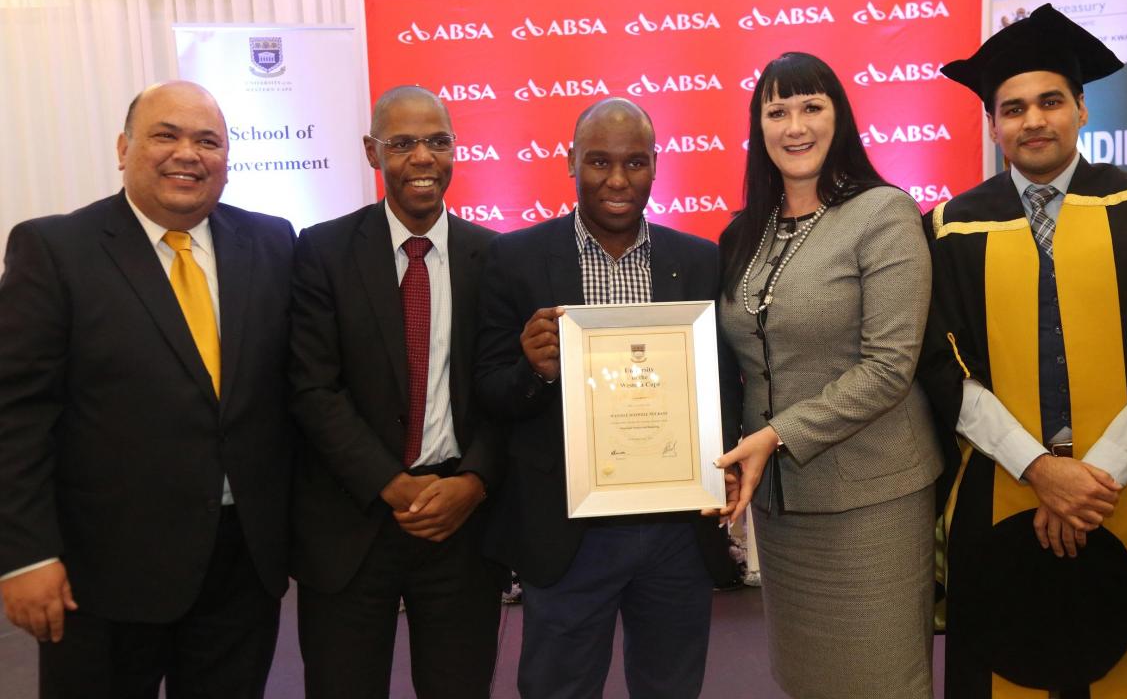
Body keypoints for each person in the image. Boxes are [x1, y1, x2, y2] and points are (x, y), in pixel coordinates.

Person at [921, 3, 1127, 698]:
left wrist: (1096, 473)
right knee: (1008, 660)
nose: (1032, 120)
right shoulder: (950, 228)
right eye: (1012, 109)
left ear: (1081, 109)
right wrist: (1040, 467)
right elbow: (938, 366)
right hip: (1004, 486)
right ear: (992, 126)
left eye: (1050, 101)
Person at [0, 81, 295, 698]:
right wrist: (25, 555)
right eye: (166, 134)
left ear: (226, 160)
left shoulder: (271, 243)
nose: (188, 153)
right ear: (123, 147)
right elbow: (16, 414)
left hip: (243, 564)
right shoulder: (55, 250)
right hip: (103, 575)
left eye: (207, 141)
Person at [474, 97, 738, 699]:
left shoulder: (699, 260)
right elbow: (487, 388)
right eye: (598, 162)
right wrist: (533, 370)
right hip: (566, 530)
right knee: (557, 688)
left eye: (635, 163)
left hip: (675, 528)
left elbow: (721, 382)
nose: (617, 180)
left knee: (671, 687)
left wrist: (720, 462)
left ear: (655, 166)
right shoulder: (513, 259)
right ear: (570, 163)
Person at [712, 52, 943, 698]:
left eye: (811, 106)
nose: (795, 126)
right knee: (806, 677)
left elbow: (889, 366)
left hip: (873, 499)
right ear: (758, 127)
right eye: (777, 110)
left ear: (838, 117)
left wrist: (774, 436)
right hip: (781, 507)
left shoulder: (884, 214)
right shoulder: (743, 234)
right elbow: (737, 363)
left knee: (881, 680)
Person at [289, 85, 502, 698]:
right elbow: (311, 388)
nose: (422, 158)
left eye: (437, 142)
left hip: (460, 523)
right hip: (352, 525)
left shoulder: (494, 256)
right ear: (371, 151)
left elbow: (503, 393)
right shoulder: (322, 251)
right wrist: (391, 482)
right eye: (403, 143)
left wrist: (475, 482)